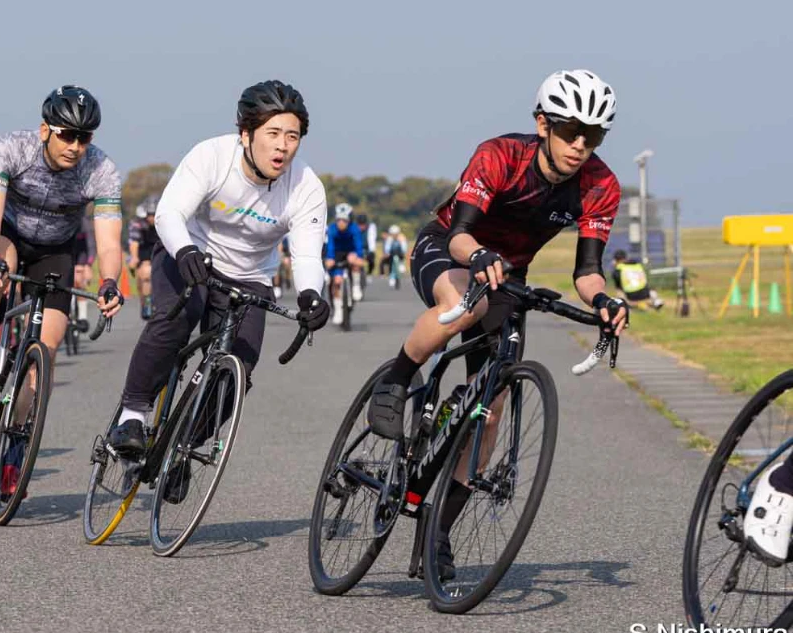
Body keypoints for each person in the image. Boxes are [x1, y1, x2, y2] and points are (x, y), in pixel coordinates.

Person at [366, 69, 627, 578]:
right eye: (571, 130)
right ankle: (395, 380)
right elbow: (461, 233)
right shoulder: (501, 155)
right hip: (451, 249)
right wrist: (479, 254)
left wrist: (603, 301)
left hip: (508, 274)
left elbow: (587, 272)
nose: (580, 145)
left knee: (491, 408)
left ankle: (438, 531)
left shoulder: (601, 185)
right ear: (543, 124)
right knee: (467, 304)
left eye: (593, 136)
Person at [107, 80, 331, 480]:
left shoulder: (306, 186)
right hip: (190, 254)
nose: (282, 146)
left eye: (292, 136)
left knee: (238, 370)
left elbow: (307, 255)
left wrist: (312, 294)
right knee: (175, 320)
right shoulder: (211, 156)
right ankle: (133, 415)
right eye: (273, 133)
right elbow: (169, 215)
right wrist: (185, 251)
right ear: (246, 134)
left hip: (250, 277)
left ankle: (182, 448)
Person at [0, 85, 125, 496]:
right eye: (67, 135)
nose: (75, 146)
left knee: (45, 350)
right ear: (46, 130)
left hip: (55, 250)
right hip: (8, 235)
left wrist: (109, 281)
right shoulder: (12, 149)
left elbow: (109, 244)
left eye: (84, 137)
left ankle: (14, 450)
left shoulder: (102, 171)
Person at [325, 203, 366, 323]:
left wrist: (358, 257)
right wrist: (330, 259)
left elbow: (359, 246)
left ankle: (356, 286)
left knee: (355, 262)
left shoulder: (355, 229)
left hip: (351, 253)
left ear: (349, 220)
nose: (341, 223)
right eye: (338, 220)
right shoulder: (332, 229)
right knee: (337, 281)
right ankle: (338, 310)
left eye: (344, 220)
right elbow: (330, 247)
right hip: (337, 254)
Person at [127, 197, 160, 319]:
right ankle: (146, 302)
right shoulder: (137, 223)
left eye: (154, 215)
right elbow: (134, 243)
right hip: (143, 250)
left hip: (159, 248)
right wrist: (134, 258)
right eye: (149, 215)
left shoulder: (164, 222)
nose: (151, 218)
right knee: (145, 274)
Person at [72, 209, 97, 329]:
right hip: (66, 251)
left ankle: (82, 317)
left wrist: (88, 265)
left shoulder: (85, 223)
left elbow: (91, 246)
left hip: (81, 253)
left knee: (79, 281)